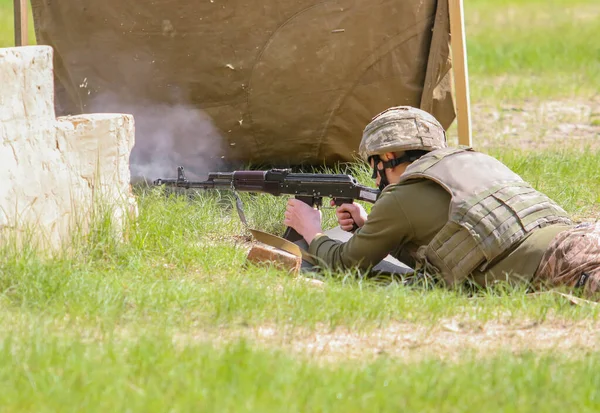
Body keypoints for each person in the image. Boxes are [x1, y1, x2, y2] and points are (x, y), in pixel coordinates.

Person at [283, 106, 600, 296]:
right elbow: (451, 251)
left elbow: (343, 265)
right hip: (582, 236)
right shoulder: (476, 160)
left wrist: (312, 231)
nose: (374, 175)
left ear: (389, 157)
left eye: (374, 163)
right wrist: (372, 229)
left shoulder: (401, 196)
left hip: (562, 267)